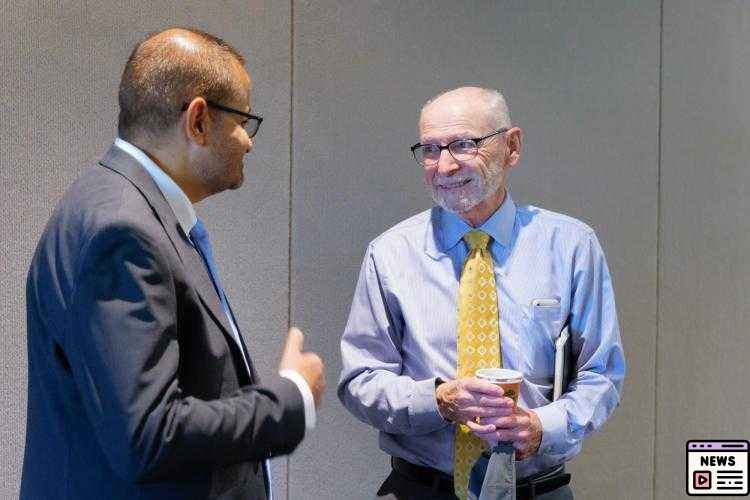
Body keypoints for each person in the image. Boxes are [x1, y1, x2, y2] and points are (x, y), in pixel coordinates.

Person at [21, 27, 325, 500]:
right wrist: (289, 402)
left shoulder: (122, 206)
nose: (249, 141)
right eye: (245, 119)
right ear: (199, 120)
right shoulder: (123, 231)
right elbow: (149, 435)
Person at [338, 86, 625, 499]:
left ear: (512, 146)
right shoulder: (390, 254)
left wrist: (543, 427)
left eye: (463, 144)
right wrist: (437, 400)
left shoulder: (571, 247)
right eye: (431, 150)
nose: (445, 165)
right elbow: (360, 381)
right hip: (420, 488)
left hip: (537, 489)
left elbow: (603, 374)